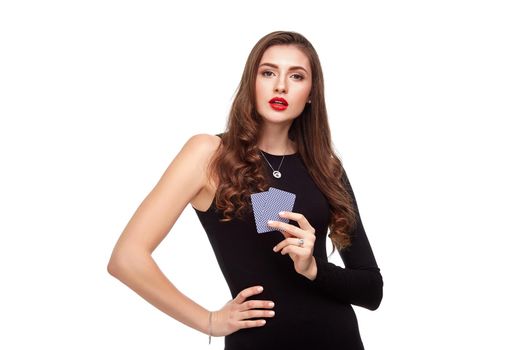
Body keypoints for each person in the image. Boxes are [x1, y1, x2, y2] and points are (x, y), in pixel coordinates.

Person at [107, 30, 383, 349]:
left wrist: (313, 268)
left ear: (310, 93)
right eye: (268, 73)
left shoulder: (326, 167)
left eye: (296, 76)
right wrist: (208, 320)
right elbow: (126, 258)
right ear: (251, 81)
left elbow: (371, 290)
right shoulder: (209, 154)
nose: (280, 85)